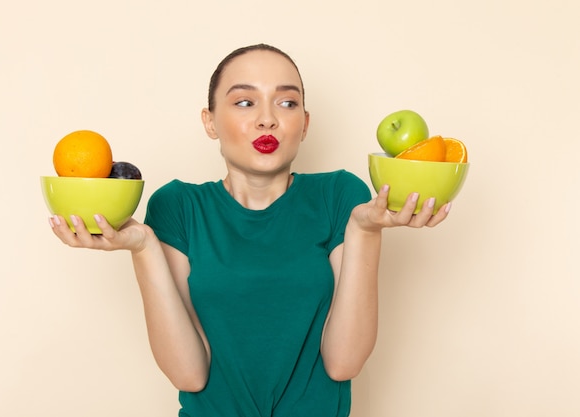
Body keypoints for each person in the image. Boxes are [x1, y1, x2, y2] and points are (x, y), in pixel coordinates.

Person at [49, 43, 450, 417]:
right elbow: (189, 375)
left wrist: (365, 230)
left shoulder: (340, 196)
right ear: (210, 122)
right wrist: (143, 246)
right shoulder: (178, 207)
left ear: (305, 123)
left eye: (287, 103)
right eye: (244, 102)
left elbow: (344, 362)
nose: (267, 119)